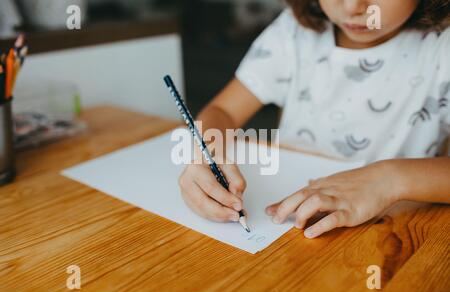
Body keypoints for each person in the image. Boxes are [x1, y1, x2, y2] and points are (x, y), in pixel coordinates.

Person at [178, 0, 450, 239]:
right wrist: (207, 155)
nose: (353, 7)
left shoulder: (442, 46)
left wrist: (389, 179)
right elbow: (222, 111)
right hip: (291, 233)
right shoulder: (293, 32)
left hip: (392, 235)